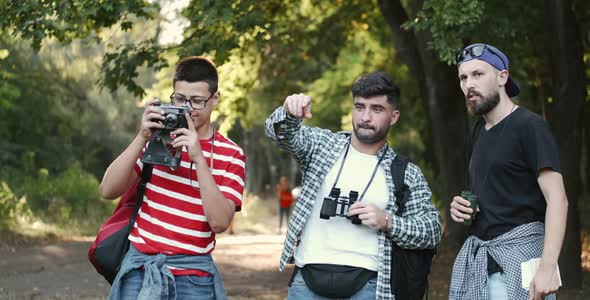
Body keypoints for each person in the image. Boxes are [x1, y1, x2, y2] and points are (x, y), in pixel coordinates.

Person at [264, 72, 441, 299]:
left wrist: (387, 221)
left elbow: (432, 230)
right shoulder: (322, 146)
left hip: (368, 285)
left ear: (394, 116)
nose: (365, 116)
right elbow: (279, 134)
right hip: (306, 281)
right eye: (359, 107)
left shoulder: (405, 172)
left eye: (376, 109)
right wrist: (289, 113)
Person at [99, 56, 246, 299]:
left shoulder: (232, 154)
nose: (188, 108)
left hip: (193, 276)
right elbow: (107, 190)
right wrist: (142, 137)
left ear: (215, 99)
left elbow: (220, 223)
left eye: (197, 101)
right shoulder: (157, 138)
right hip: (141, 270)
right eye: (179, 99)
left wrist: (198, 158)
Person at [449, 44, 568, 300]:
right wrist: (462, 207)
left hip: (521, 265)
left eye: (478, 74)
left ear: (502, 77)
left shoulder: (530, 126)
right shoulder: (478, 132)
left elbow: (558, 200)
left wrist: (547, 268)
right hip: (483, 266)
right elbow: (492, 193)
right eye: (463, 77)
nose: (469, 84)